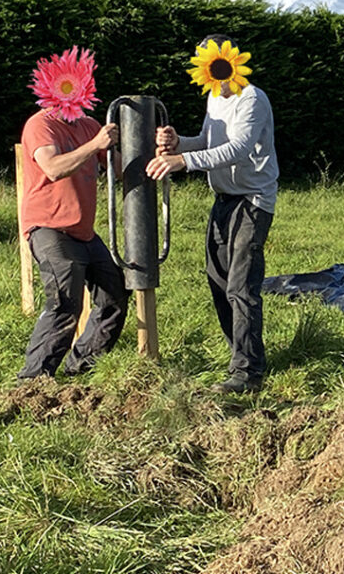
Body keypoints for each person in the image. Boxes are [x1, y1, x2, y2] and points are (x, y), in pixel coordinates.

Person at [146, 34, 278, 393]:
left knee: (240, 284)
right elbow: (208, 141)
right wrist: (179, 143)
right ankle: (241, 353)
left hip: (252, 199)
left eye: (212, 59)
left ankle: (248, 373)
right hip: (223, 198)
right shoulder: (214, 96)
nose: (208, 67)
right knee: (218, 281)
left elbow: (238, 149)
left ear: (229, 60)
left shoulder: (251, 98)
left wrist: (182, 161)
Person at [17, 46, 129, 379]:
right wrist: (95, 145)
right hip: (49, 228)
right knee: (66, 304)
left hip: (83, 232)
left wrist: (148, 146)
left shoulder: (89, 124)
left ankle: (80, 369)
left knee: (115, 297)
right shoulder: (41, 125)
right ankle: (34, 381)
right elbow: (52, 167)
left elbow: (120, 170)